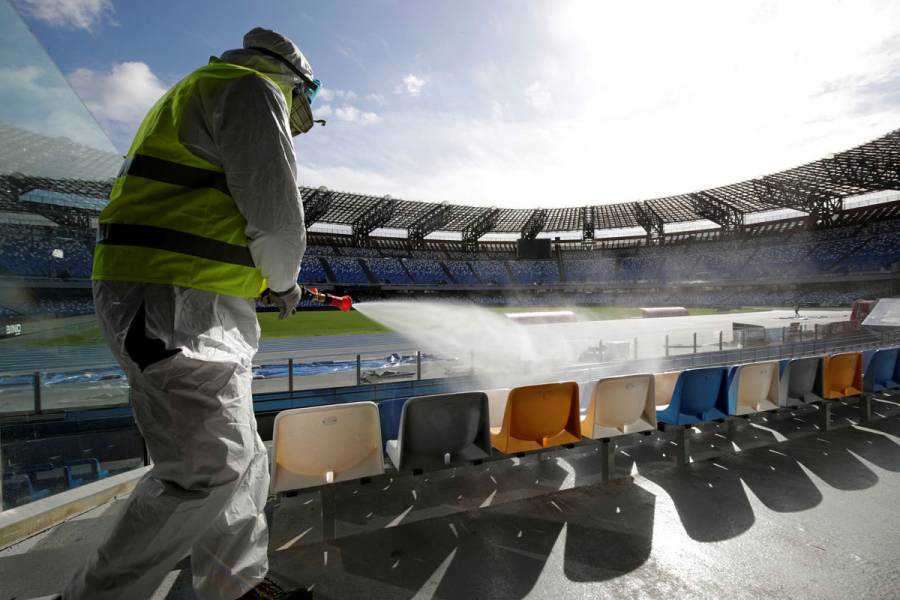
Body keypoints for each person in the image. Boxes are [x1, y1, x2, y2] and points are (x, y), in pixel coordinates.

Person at [63, 27, 318, 600]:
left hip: (192, 301)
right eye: (308, 95)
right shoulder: (251, 89)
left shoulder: (202, 88)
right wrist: (284, 282)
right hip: (175, 303)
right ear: (295, 79)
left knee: (241, 456)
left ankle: (237, 586)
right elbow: (277, 219)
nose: (306, 109)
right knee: (204, 472)